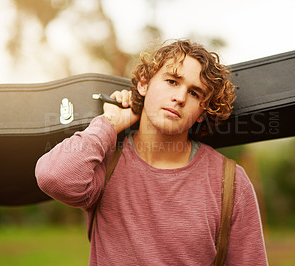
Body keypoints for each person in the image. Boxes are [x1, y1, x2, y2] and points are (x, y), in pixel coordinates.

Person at [35, 39, 268, 265]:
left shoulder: (231, 182)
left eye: (195, 93)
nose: (179, 98)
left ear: (202, 113)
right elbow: (52, 176)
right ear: (144, 83)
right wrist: (110, 122)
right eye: (172, 81)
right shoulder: (107, 161)